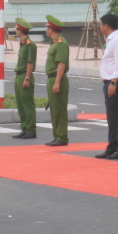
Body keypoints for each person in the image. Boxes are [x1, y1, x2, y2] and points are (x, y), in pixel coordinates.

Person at [96, 13, 118, 159]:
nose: (100, 26)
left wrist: (114, 82)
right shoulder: (111, 40)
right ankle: (112, 146)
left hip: (116, 82)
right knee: (111, 117)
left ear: (106, 26)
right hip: (109, 82)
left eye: (101, 24)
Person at [45, 15, 70, 146]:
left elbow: (61, 64)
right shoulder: (55, 43)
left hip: (57, 78)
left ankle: (61, 137)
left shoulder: (61, 43)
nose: (46, 30)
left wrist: (57, 82)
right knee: (54, 109)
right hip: (52, 78)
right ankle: (57, 136)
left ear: (50, 29)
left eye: (47, 27)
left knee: (59, 109)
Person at [13, 18, 37, 139]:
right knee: (20, 104)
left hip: (25, 75)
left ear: (20, 30)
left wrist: (27, 78)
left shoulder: (30, 44)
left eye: (16, 29)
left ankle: (31, 129)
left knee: (27, 104)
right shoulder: (22, 44)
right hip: (19, 75)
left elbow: (30, 62)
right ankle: (24, 127)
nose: (15, 31)